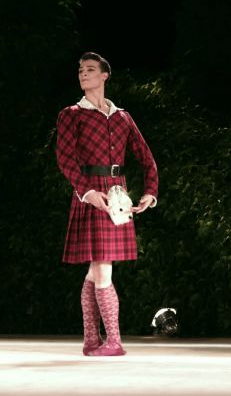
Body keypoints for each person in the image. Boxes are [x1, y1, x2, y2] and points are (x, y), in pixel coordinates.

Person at [56, 52, 159, 356]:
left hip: (117, 195)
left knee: (96, 269)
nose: (83, 74)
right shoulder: (72, 114)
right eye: (80, 70)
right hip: (91, 193)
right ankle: (113, 341)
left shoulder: (122, 116)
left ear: (104, 76)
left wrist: (150, 192)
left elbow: (146, 158)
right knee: (102, 267)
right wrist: (85, 191)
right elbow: (65, 158)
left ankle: (91, 340)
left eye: (90, 69)